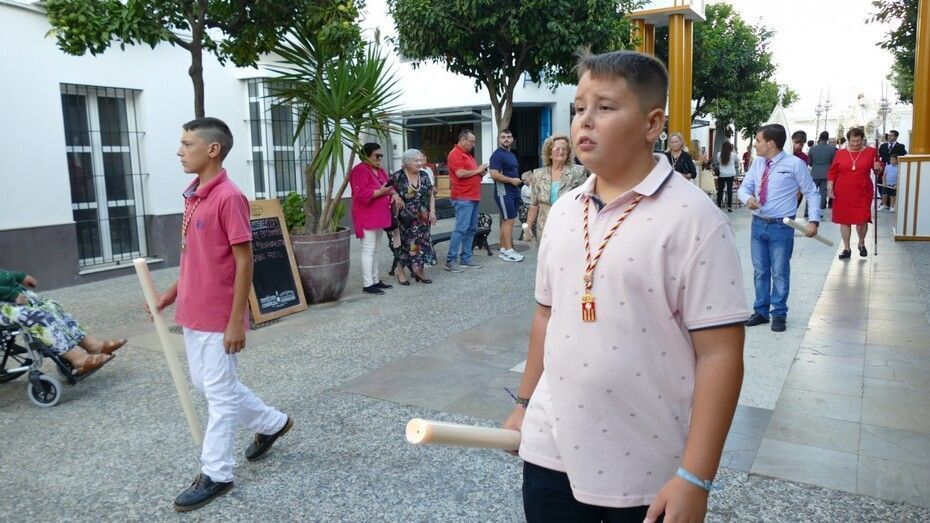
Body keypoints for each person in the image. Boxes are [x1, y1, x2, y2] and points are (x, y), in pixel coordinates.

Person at [504, 50, 749, 523]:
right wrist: (525, 404)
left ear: (652, 123)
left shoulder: (695, 220)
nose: (584, 121)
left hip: (646, 464)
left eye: (605, 107)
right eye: (579, 108)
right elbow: (546, 317)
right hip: (551, 449)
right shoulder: (565, 211)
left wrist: (696, 477)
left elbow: (720, 354)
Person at [150, 117, 292, 512]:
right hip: (193, 311)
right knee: (210, 385)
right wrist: (168, 296)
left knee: (219, 395)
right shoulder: (194, 195)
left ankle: (216, 473)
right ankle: (272, 423)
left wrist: (235, 320)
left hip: (218, 315)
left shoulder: (229, 197)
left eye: (187, 144)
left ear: (212, 150)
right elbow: (192, 258)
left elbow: (244, 261)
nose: (179, 151)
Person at [739, 124, 821, 332]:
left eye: (758, 140)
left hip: (781, 227)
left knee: (780, 272)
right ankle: (761, 311)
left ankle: (779, 314)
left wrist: (813, 221)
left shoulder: (794, 164)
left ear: (770, 143)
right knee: (760, 271)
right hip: (758, 224)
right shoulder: (757, 164)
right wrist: (748, 199)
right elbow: (744, 188)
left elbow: (812, 192)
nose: (755, 145)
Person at [0, 269, 124, 373]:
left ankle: (92, 345)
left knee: (52, 307)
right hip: (5, 305)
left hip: (13, 300)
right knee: (37, 317)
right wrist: (11, 294)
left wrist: (21, 276)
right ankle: (77, 359)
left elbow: (3, 275)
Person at [349, 142, 403, 294]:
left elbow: (389, 187)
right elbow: (362, 194)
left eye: (381, 156)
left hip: (379, 215)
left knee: (376, 249)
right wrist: (381, 192)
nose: (379, 158)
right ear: (366, 156)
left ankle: (375, 279)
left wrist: (394, 194)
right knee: (368, 248)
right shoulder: (359, 170)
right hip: (366, 215)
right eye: (376, 155)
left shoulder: (380, 170)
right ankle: (368, 284)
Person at [524, 134, 587, 242]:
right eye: (557, 149)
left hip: (570, 228)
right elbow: (534, 205)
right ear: (549, 153)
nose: (561, 152)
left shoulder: (578, 172)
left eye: (564, 149)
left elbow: (586, 202)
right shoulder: (538, 174)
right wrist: (527, 228)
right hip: (545, 228)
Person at [828, 127, 879, 259]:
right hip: (843, 191)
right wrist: (830, 188)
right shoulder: (840, 153)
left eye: (858, 141)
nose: (855, 144)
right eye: (852, 141)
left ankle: (861, 243)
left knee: (862, 219)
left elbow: (878, 170)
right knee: (844, 220)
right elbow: (833, 172)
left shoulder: (871, 152)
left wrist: (879, 168)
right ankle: (846, 248)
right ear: (848, 140)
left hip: (863, 190)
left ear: (863, 140)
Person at [444, 129, 487, 273]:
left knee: (471, 229)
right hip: (463, 197)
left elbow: (470, 174)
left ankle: (466, 258)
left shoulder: (468, 155)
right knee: (461, 229)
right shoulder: (455, 153)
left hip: (473, 196)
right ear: (462, 140)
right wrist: (478, 170)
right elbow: (460, 173)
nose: (473, 144)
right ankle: (450, 260)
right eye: (471, 141)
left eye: (474, 142)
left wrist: (480, 173)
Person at [391, 149, 437, 284]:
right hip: (406, 218)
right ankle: (400, 270)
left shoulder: (424, 175)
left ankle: (419, 270)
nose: (419, 163)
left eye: (420, 160)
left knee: (422, 244)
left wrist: (432, 211)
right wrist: (395, 195)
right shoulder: (399, 176)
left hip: (423, 217)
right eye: (416, 160)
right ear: (406, 162)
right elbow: (390, 190)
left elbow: (431, 194)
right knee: (406, 245)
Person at [488, 129, 526, 262]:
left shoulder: (511, 155)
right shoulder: (497, 155)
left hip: (513, 191)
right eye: (503, 137)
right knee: (509, 220)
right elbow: (494, 174)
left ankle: (504, 249)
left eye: (508, 136)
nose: (506, 139)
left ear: (512, 139)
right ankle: (510, 251)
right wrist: (511, 180)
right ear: (499, 139)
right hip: (503, 191)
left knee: (507, 220)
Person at [808, 131, 836, 215]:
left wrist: (815, 165)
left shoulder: (812, 148)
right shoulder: (832, 149)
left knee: (811, 192)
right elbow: (834, 162)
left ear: (819, 138)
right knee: (823, 193)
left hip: (814, 173)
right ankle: (820, 211)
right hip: (826, 173)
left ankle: (807, 211)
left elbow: (809, 162)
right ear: (827, 139)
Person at [877, 130, 907, 210]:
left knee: (892, 186)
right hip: (884, 168)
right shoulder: (883, 146)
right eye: (889, 135)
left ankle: (891, 204)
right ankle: (884, 202)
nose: (889, 137)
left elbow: (902, 158)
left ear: (896, 137)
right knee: (880, 183)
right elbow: (879, 156)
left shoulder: (901, 146)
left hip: (894, 169)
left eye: (891, 135)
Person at [715, 141, 740, 212]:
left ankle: (719, 205)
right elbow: (738, 160)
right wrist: (734, 150)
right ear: (730, 147)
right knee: (729, 190)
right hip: (730, 175)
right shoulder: (733, 155)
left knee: (720, 190)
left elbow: (718, 161)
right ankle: (729, 207)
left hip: (721, 174)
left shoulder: (719, 154)